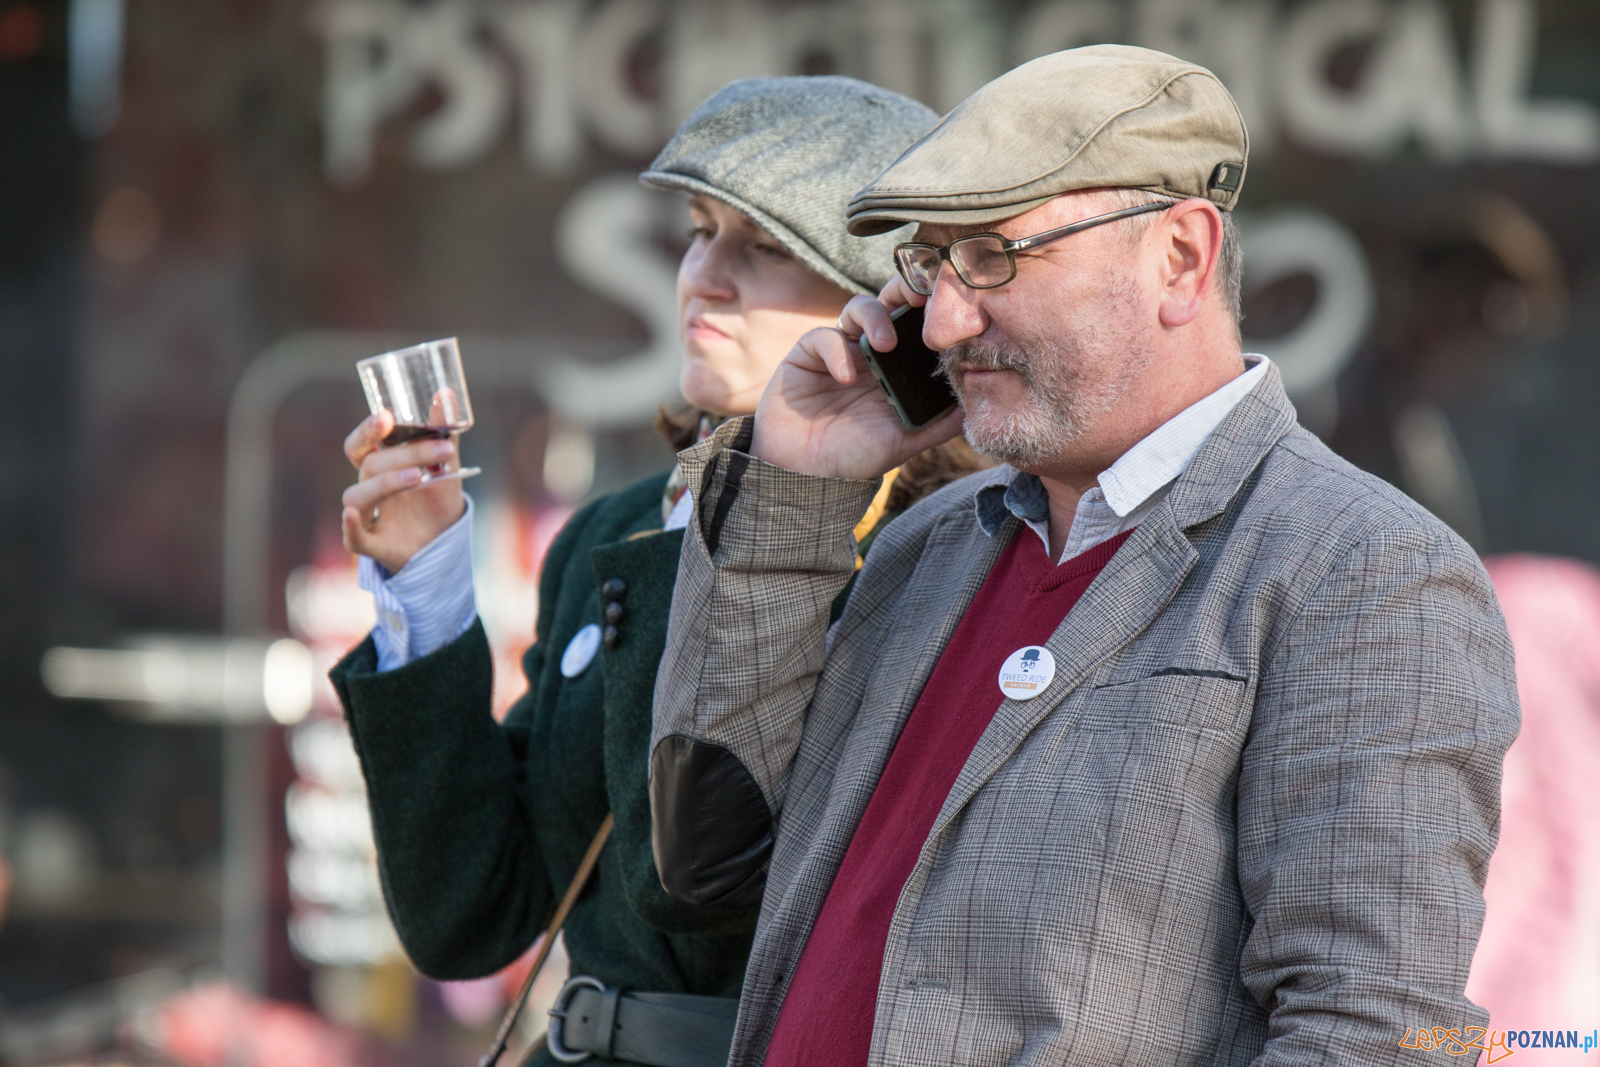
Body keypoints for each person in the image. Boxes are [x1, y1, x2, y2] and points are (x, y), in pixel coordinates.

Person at [649, 45, 1520, 1067]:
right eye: (931, 264)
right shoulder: (930, 540)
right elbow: (714, 862)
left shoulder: (1361, 570)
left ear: (1180, 258)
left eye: (993, 257)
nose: (940, 318)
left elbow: (1373, 1034)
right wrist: (795, 496)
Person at [327, 77, 979, 1067]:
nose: (701, 277)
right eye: (697, 230)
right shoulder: (617, 529)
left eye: (762, 246)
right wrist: (423, 581)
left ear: (885, 303)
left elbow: (691, 888)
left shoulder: (948, 541)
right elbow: (467, 916)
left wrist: (746, 506)